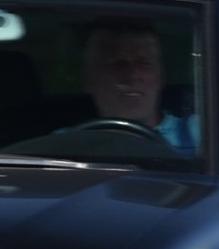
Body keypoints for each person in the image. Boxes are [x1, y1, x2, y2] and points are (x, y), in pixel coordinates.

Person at [78, 21, 198, 153]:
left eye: (144, 63)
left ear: (161, 77)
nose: (132, 75)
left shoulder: (200, 134)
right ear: (87, 80)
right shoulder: (66, 143)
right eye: (116, 64)